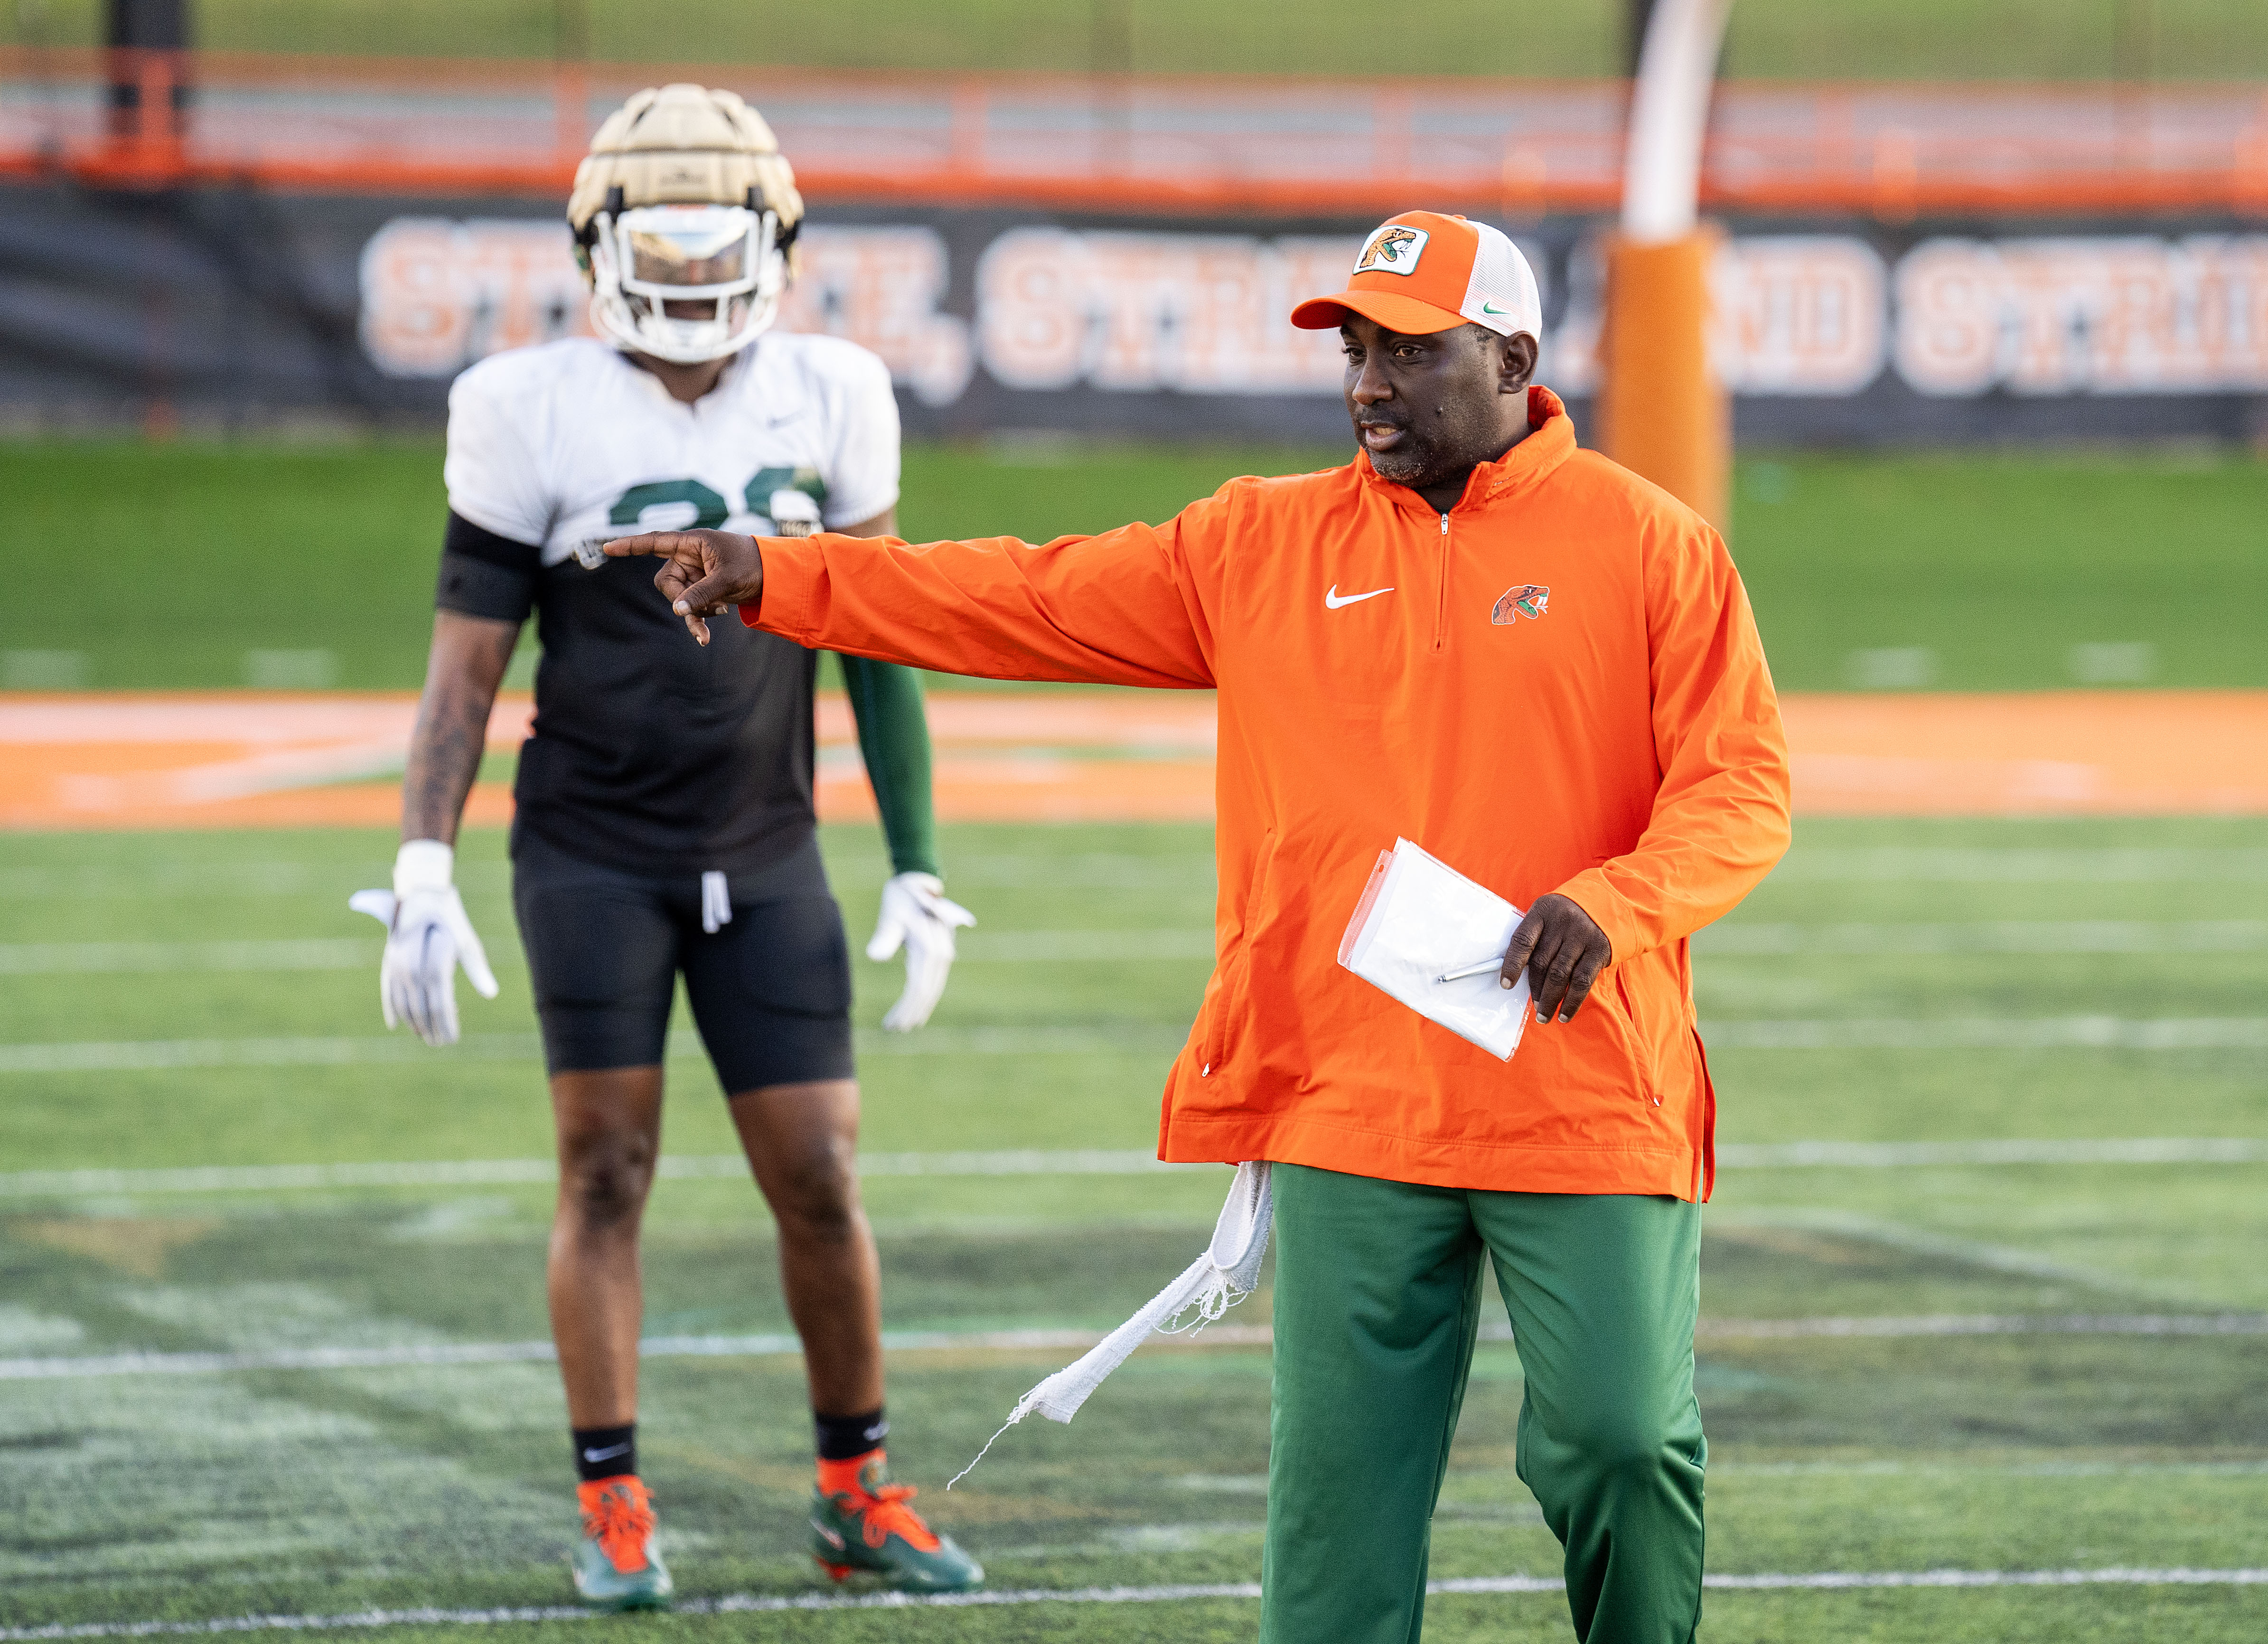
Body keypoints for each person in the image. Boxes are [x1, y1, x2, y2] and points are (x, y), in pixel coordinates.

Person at [611, 210, 1792, 1643]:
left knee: (1619, 1444)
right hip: (1348, 1096)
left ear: (1514, 358)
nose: (1369, 382)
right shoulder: (1259, 540)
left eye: (1411, 352)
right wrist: (778, 576)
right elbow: (1022, 596)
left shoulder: (1650, 545)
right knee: (1336, 1505)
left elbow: (1739, 795)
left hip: (1580, 1086)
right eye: (1356, 348)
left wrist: (1611, 904)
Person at [350, 84, 984, 1610]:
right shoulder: (524, 404)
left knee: (823, 1173)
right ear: (599, 247)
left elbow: (880, 643)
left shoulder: (833, 390)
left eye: (721, 258)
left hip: (767, 842)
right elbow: (468, 663)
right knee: (607, 1168)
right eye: (667, 256)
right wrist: (422, 858)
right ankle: (615, 1503)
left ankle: (855, 1491)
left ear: (774, 245)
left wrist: (914, 855)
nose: (697, 288)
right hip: (591, 849)